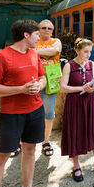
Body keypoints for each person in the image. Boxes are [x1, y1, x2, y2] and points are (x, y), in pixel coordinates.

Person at [0, 19, 47, 187]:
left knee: (30, 151)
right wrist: (19, 89)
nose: (40, 37)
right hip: (12, 114)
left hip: (35, 110)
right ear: (26, 35)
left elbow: (43, 77)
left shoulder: (34, 54)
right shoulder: (2, 57)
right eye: (36, 34)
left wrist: (39, 84)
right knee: (1, 157)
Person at [60, 38, 94, 182]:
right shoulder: (69, 66)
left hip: (89, 103)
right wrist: (81, 88)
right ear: (77, 51)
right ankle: (76, 166)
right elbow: (63, 87)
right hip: (75, 104)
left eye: (90, 51)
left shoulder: (92, 64)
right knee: (75, 132)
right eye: (85, 51)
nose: (88, 54)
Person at [35, 19, 62, 157]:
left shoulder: (56, 41)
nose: (47, 30)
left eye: (49, 28)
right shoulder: (34, 41)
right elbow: (50, 52)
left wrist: (35, 51)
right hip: (34, 80)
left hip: (51, 81)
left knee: (49, 114)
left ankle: (46, 141)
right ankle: (21, 142)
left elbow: (56, 50)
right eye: (44, 28)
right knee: (27, 113)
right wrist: (46, 52)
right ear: (38, 30)